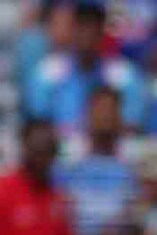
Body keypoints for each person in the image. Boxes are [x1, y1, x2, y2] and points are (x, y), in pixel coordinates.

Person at [24, 2, 146, 157]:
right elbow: (39, 124)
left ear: (103, 29)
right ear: (72, 29)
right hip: (60, 155)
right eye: (82, 25)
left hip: (110, 152)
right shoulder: (48, 72)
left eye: (94, 25)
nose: (88, 32)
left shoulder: (123, 74)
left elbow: (132, 125)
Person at [0, 120, 77, 235]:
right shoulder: (4, 192)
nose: (41, 158)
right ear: (24, 148)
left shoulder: (59, 199)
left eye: (48, 151)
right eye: (36, 150)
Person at [54, 86, 139, 235]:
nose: (105, 116)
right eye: (100, 110)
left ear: (120, 117)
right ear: (87, 114)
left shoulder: (133, 159)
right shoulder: (67, 158)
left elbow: (135, 205)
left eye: (111, 110)